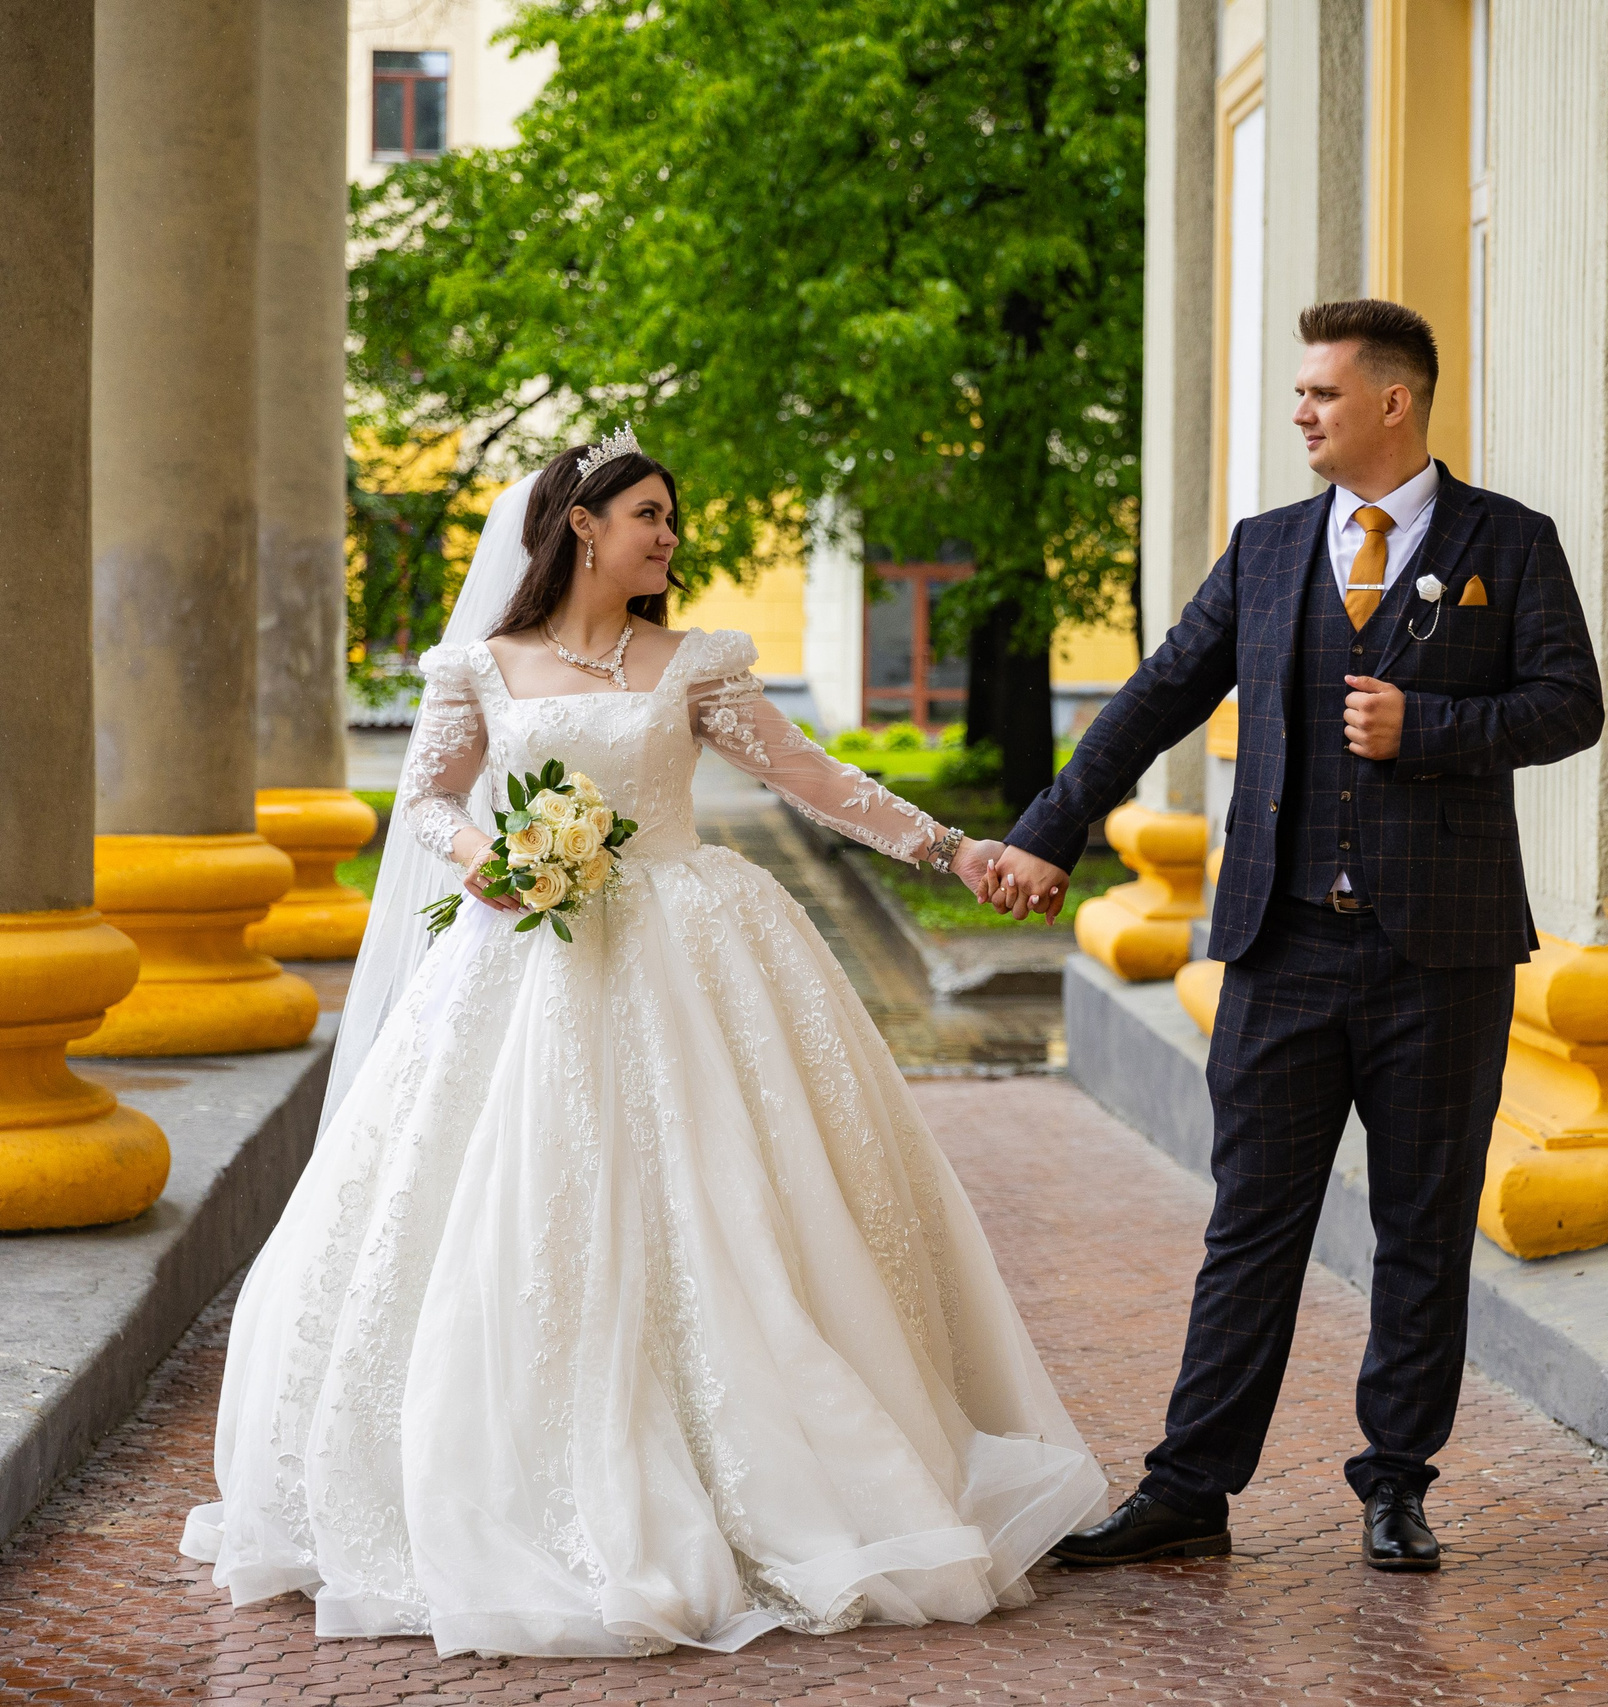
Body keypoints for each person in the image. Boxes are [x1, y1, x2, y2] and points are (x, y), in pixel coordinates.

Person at [180, 432, 1109, 1657]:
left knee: (720, 1211)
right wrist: (489, 864)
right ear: (582, 526)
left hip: (686, 952)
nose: (668, 537)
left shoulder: (694, 664)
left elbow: (810, 777)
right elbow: (426, 800)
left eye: (673, 519)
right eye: (650, 515)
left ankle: (759, 1476)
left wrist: (955, 851)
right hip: (523, 970)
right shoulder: (484, 665)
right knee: (510, 1214)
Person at [988, 299, 1604, 1572]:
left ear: (1394, 401)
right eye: (1299, 394)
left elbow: (1569, 705)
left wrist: (1427, 727)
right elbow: (1161, 690)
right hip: (1280, 949)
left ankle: (1395, 1485)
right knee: (1250, 1228)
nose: (1301, 413)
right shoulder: (1268, 551)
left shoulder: (1510, 541)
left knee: (1421, 1230)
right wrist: (1050, 828)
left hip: (1443, 956)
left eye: (1321, 393)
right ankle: (1188, 1488)